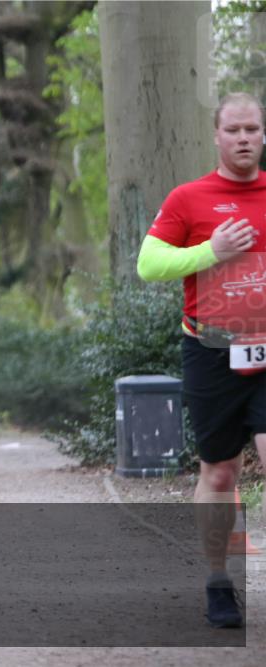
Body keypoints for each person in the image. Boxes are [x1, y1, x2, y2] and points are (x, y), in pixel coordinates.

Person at [136, 92, 266, 629]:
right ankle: (219, 581)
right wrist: (212, 251)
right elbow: (149, 263)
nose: (243, 138)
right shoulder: (189, 198)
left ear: (263, 135)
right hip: (210, 352)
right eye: (233, 129)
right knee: (219, 472)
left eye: (252, 129)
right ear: (216, 136)